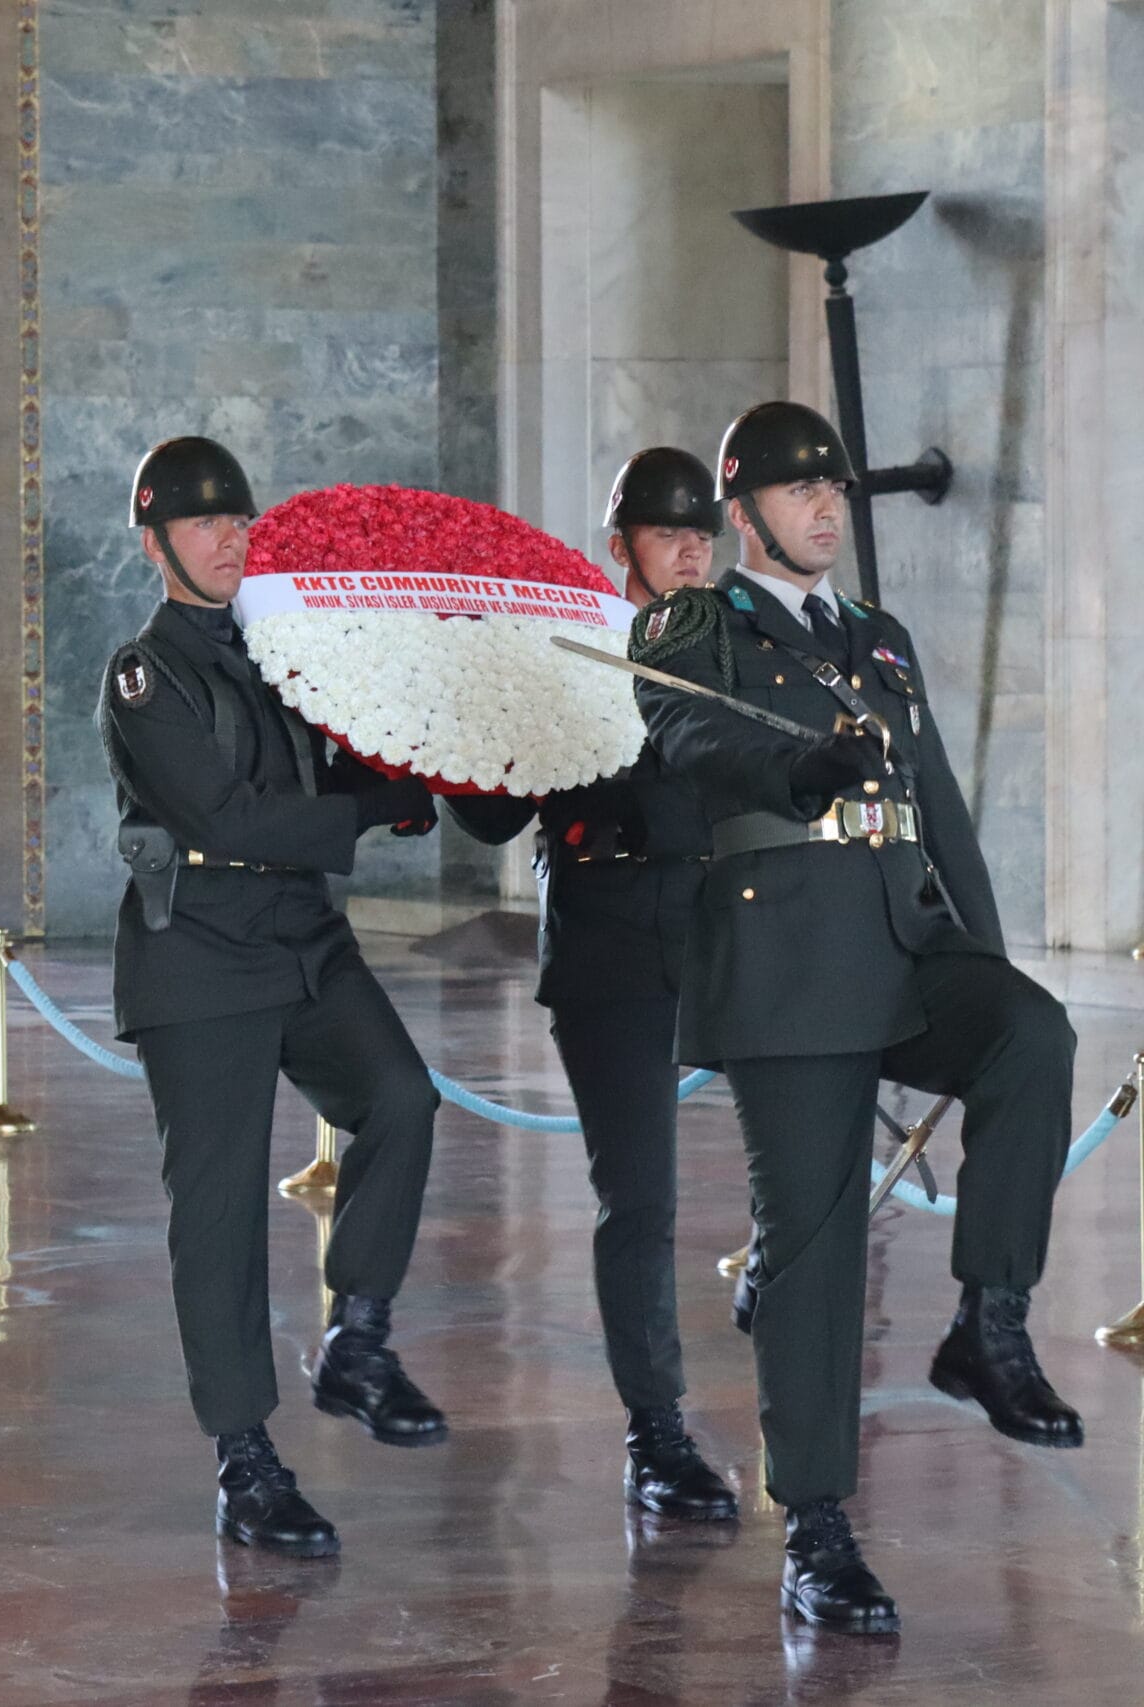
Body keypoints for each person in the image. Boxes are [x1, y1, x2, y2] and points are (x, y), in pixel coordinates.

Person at [628, 400, 1081, 1633]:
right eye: (797, 490)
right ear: (743, 514)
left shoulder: (879, 639)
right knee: (815, 1249)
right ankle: (816, 1528)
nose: (824, 506)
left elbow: (940, 810)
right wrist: (799, 767)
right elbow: (686, 735)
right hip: (785, 962)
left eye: (832, 487)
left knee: (1030, 1034)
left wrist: (981, 956)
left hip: (905, 940)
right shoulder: (691, 623)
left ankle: (988, 1325)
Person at [99, 436, 447, 1558]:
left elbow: (326, 764)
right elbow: (226, 816)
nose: (227, 539)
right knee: (220, 1216)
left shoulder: (282, 648)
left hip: (302, 936)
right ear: (155, 546)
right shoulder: (143, 676)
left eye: (237, 520)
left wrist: (404, 766)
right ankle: (244, 1461)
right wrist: (367, 812)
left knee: (400, 1097)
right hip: (200, 953)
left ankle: (358, 1337)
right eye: (202, 524)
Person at [445, 448, 736, 1521]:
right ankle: (655, 1432)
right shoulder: (565, 651)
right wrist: (465, 711)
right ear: (621, 548)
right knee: (641, 1197)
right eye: (668, 535)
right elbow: (487, 814)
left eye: (701, 534)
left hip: (730, 932)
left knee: (805, 1169)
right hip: (610, 940)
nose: (690, 551)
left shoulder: (742, 651)